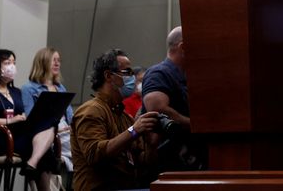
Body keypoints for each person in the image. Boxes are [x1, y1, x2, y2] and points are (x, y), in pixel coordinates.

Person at [70, 49, 159, 191]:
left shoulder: (124, 117)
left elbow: (142, 164)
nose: (133, 79)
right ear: (108, 76)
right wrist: (134, 130)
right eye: (127, 73)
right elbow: (94, 154)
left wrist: (151, 144)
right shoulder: (91, 111)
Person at [0, 49, 58, 190]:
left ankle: (33, 166)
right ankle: (35, 169)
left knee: (45, 140)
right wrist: (8, 121)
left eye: (14, 63)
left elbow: (24, 115)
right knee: (40, 150)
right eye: (7, 63)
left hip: (18, 136)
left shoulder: (16, 92)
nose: (12, 66)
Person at [142, 26, 205, 171]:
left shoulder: (185, 76)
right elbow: (157, 109)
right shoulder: (159, 73)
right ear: (183, 47)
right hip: (170, 163)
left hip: (190, 159)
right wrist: (195, 125)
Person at [22, 47, 74, 173]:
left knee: (86, 135)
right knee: (86, 147)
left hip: (65, 130)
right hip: (44, 131)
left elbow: (70, 116)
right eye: (53, 60)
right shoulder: (28, 88)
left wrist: (73, 126)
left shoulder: (60, 87)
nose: (57, 63)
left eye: (59, 60)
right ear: (43, 62)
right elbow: (31, 118)